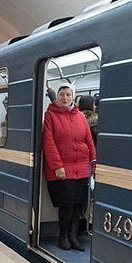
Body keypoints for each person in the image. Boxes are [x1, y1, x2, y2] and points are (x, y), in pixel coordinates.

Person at [43, 83, 96, 251]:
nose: (65, 98)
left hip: (82, 168)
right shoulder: (50, 115)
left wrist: (93, 165)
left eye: (68, 94)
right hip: (62, 169)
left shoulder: (80, 116)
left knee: (79, 204)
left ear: (73, 97)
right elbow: (48, 142)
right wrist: (57, 166)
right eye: (61, 94)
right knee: (66, 204)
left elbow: (89, 142)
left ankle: (73, 236)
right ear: (57, 97)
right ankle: (63, 236)